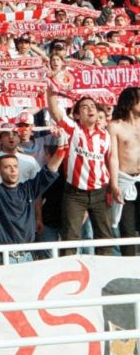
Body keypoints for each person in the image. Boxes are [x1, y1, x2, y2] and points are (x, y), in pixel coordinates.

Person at [46, 85, 114, 254]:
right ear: (77, 115)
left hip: (100, 192)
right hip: (75, 194)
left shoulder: (106, 135)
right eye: (85, 107)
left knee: (104, 237)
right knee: (70, 237)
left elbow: (111, 161)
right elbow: (55, 112)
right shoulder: (73, 130)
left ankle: (104, 275)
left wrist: (114, 187)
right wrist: (51, 92)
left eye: (92, 106)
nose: (90, 109)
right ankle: (69, 275)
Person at [0, 147, 65, 264]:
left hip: (28, 257)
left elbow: (51, 168)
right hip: (1, 258)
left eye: (15, 166)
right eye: (7, 167)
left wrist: (62, 142)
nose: (12, 170)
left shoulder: (29, 189)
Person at [109, 87, 140, 255]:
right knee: (127, 228)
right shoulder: (115, 126)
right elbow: (113, 158)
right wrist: (114, 185)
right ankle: (129, 266)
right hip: (125, 180)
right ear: (131, 102)